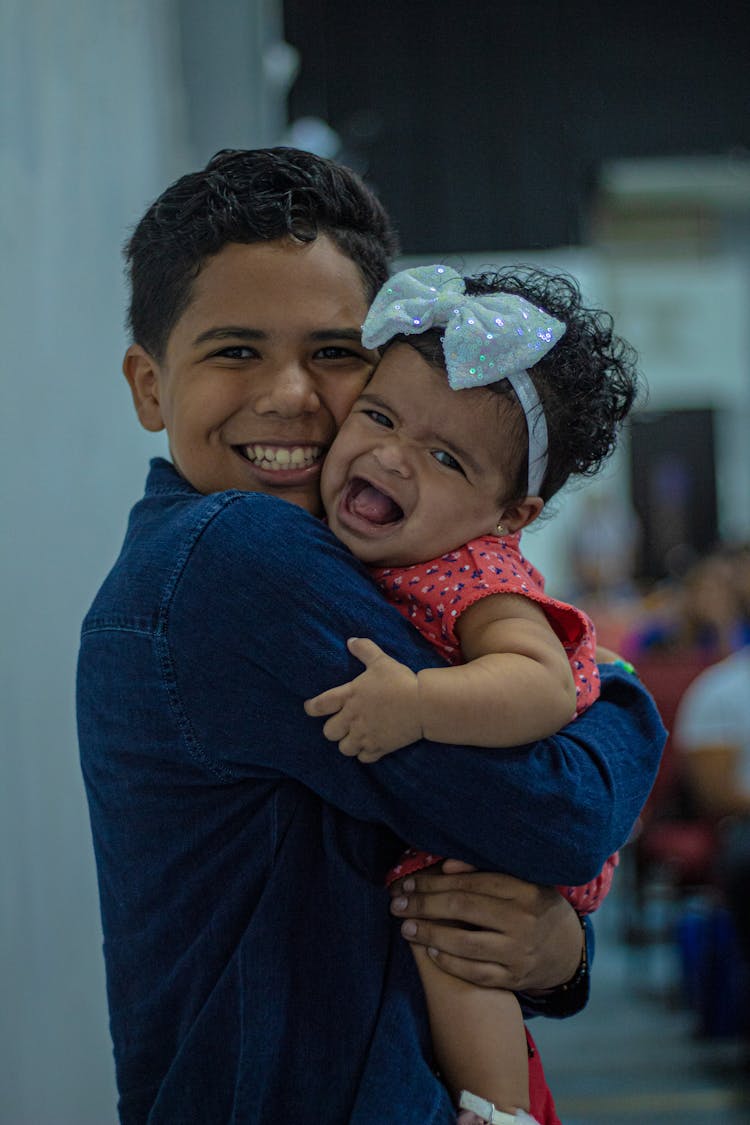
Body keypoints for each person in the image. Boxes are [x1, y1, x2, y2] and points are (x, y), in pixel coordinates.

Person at [76, 147, 665, 1124]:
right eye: (234, 351)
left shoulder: (359, 567)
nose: (294, 396)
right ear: (149, 385)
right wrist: (628, 703)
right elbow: (554, 814)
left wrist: (555, 952)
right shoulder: (240, 553)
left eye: (336, 353)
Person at [304, 263, 637, 1122]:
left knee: (452, 941)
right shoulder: (376, 546)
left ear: (510, 516)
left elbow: (543, 687)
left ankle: (498, 1110)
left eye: (445, 457)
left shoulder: (477, 576)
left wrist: (417, 704)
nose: (388, 455)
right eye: (379, 415)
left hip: (509, 830)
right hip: (490, 813)